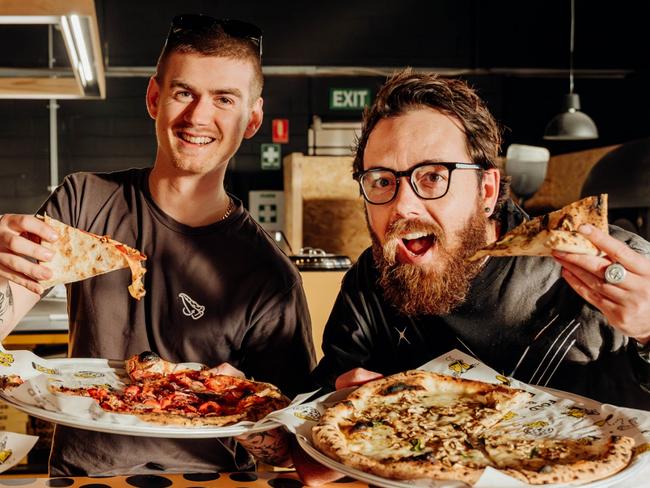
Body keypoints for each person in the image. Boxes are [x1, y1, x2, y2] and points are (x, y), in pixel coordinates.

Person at [0, 14, 315, 476]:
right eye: (184, 93)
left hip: (206, 485)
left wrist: (244, 408)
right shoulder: (84, 202)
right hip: (81, 481)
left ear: (252, 119)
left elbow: (290, 454)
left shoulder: (271, 276)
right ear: (154, 97)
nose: (198, 117)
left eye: (223, 99)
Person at [310, 69, 650, 408]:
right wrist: (335, 402)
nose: (403, 206)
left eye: (432, 176)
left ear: (486, 190)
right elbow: (320, 407)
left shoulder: (612, 264)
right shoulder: (370, 278)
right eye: (382, 181)